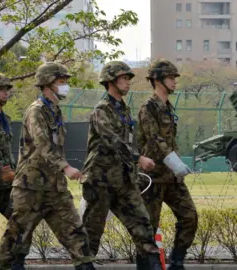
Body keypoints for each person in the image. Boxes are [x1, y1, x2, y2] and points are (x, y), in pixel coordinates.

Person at [0, 62, 96, 270]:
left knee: (77, 236)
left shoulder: (54, 110)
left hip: (55, 189)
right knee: (13, 241)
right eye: (61, 82)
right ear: (48, 84)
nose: (65, 86)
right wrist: (66, 167)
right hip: (31, 189)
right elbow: (43, 143)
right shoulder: (36, 111)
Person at [80, 60, 163, 269]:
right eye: (124, 78)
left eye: (128, 78)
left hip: (124, 181)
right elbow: (112, 140)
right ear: (111, 81)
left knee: (143, 227)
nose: (128, 82)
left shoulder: (123, 110)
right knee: (92, 235)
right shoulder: (101, 110)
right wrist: (138, 159)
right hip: (101, 181)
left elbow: (129, 141)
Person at [137, 58, 198, 270]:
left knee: (189, 216)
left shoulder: (168, 107)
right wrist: (174, 162)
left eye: (174, 77)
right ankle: (146, 266)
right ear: (158, 80)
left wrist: (176, 166)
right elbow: (154, 138)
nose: (174, 81)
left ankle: (177, 261)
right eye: (170, 77)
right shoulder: (148, 107)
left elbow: (170, 140)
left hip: (171, 177)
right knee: (148, 228)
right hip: (152, 178)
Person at [0, 73, 31, 270]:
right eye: (2, 89)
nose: (6, 93)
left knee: (20, 220)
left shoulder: (5, 118)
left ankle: (16, 261)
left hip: (6, 183)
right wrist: (1, 169)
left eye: (7, 89)